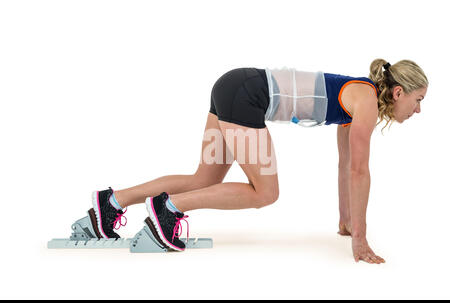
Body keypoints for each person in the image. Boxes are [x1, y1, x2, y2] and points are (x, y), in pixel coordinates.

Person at [89, 59, 428, 264]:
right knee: (265, 192)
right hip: (246, 95)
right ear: (398, 92)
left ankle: (112, 201)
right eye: (417, 100)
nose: (418, 110)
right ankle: (169, 209)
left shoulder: (358, 99)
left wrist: (347, 223)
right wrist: (361, 241)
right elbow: (359, 171)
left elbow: (345, 166)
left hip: (234, 85)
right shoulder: (366, 100)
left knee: (203, 180)